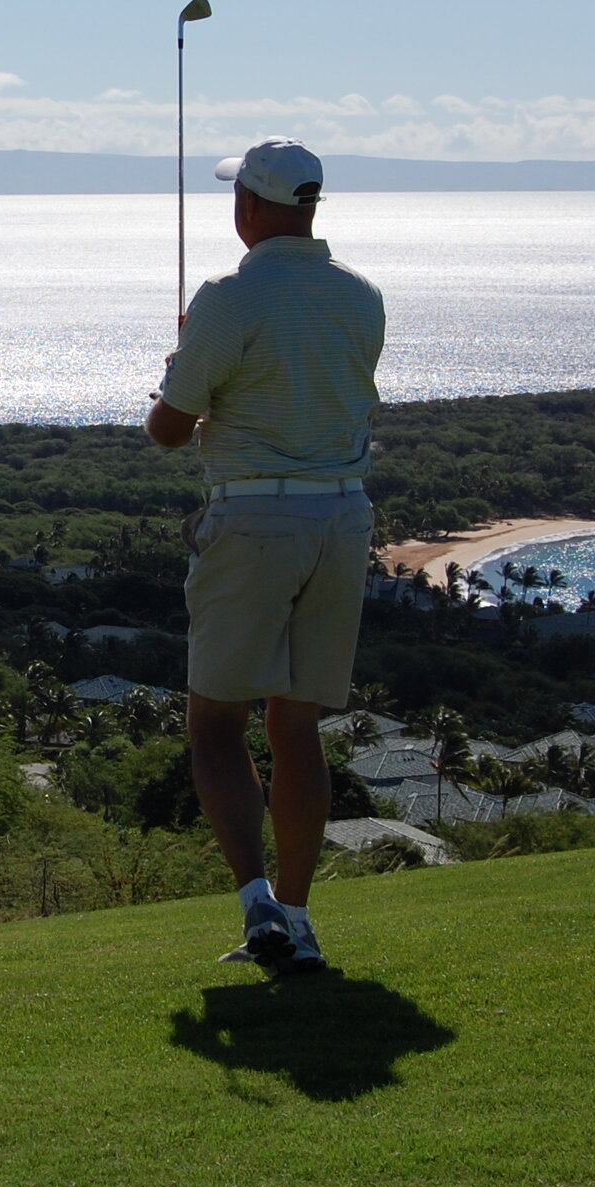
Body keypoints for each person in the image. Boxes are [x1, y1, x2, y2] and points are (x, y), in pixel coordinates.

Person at [144, 137, 385, 975]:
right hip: (342, 521)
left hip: (253, 520)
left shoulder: (227, 298)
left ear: (248, 205)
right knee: (297, 725)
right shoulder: (361, 297)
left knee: (215, 722)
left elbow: (168, 431)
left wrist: (182, 365)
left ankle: (258, 909)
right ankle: (301, 915)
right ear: (309, 206)